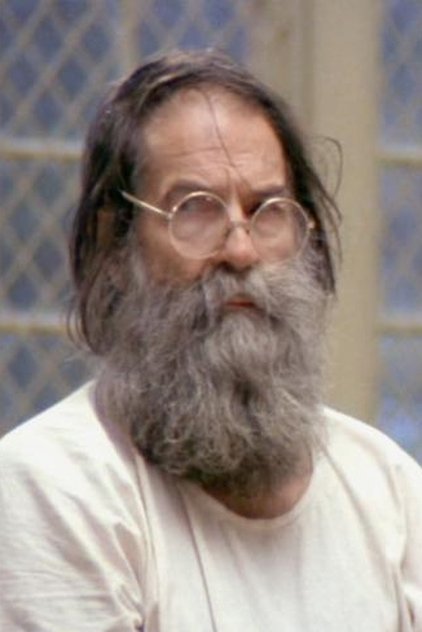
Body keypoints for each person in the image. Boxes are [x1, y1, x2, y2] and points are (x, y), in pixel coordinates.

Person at [0, 49, 421, 632]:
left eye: (268, 209)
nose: (241, 250)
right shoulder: (54, 486)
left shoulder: (390, 491)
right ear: (116, 243)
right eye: (195, 209)